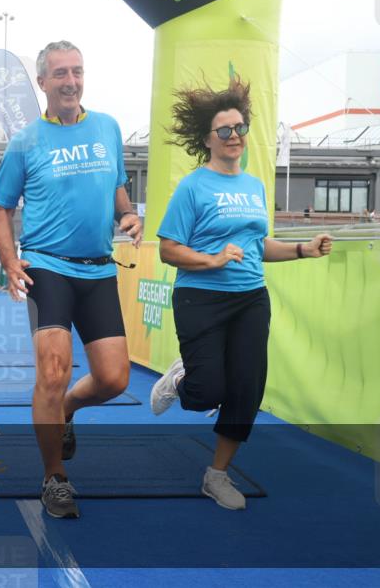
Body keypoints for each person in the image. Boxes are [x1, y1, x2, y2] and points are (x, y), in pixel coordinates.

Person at [151, 78, 333, 510]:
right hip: (200, 299)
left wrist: (303, 250)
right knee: (205, 392)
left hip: (251, 298)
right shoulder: (193, 187)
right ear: (207, 139)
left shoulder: (254, 187)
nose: (234, 136)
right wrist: (212, 259)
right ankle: (181, 379)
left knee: (247, 388)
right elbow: (168, 249)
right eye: (224, 130)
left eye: (240, 127)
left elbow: (257, 245)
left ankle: (216, 475)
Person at [0, 41, 142, 519]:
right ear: (42, 82)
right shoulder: (25, 141)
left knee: (114, 379)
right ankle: (54, 477)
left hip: (98, 269)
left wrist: (127, 215)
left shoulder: (108, 127)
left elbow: (117, 185)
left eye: (77, 71)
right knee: (53, 371)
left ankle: (69, 409)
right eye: (60, 73)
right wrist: (10, 261)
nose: (71, 81)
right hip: (46, 265)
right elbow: (0, 209)